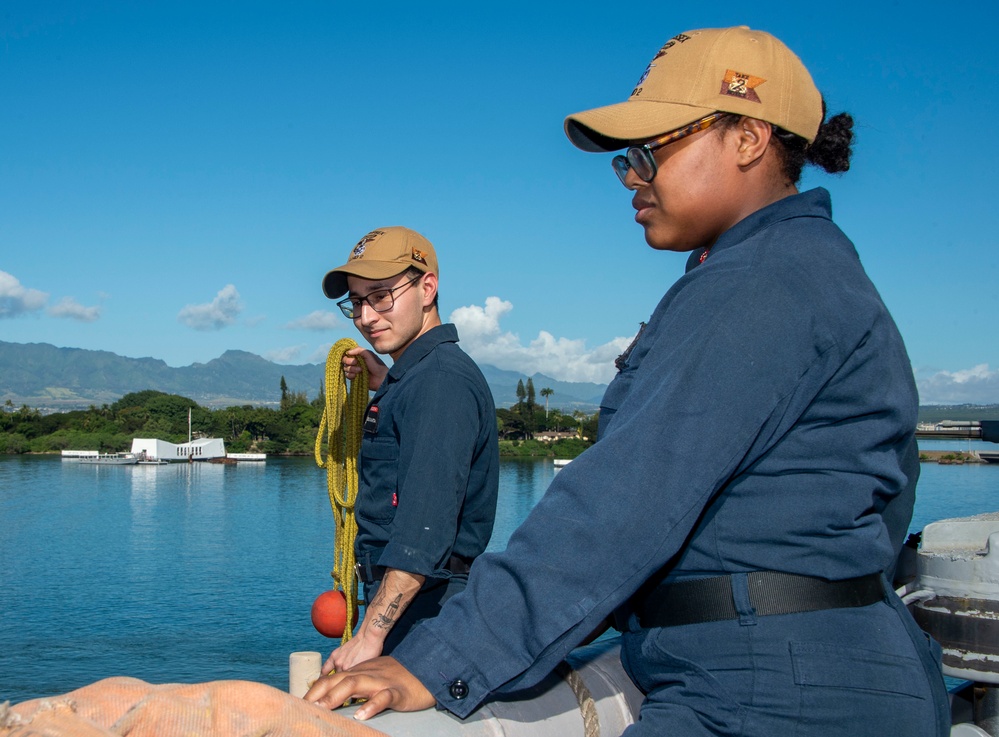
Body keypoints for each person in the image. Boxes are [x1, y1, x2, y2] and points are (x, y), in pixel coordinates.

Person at [306, 27, 950, 736]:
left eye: (650, 151)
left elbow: (619, 506)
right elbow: (884, 494)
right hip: (809, 664)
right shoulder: (807, 271)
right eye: (624, 161)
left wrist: (431, 662)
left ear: (747, 138)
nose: (633, 176)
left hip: (769, 687)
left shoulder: (758, 285)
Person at [318, 225, 499, 673]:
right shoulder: (415, 379)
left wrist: (370, 635)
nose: (366, 316)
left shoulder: (439, 382)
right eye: (357, 302)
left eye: (381, 296)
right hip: (413, 606)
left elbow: (424, 532)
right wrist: (387, 384)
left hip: (426, 612)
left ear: (427, 288)